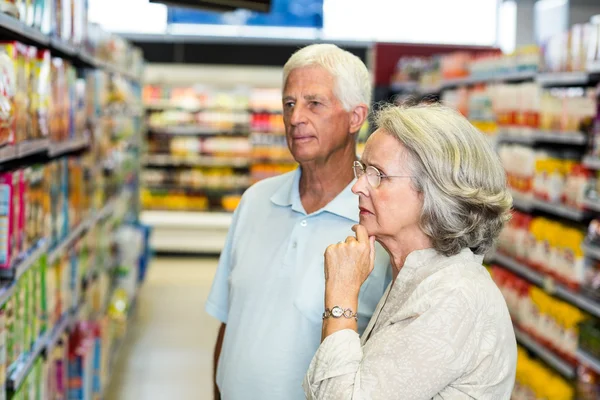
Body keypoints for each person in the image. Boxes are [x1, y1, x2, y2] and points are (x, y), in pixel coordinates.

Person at [205, 44, 390, 400]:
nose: (295, 118)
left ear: (356, 118)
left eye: (314, 103)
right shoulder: (255, 201)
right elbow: (230, 321)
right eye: (289, 104)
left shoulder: (378, 222)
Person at [303, 103, 517, 399]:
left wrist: (341, 295)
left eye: (378, 174)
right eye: (362, 169)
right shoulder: (416, 275)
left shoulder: (453, 298)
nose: (357, 187)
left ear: (435, 191)